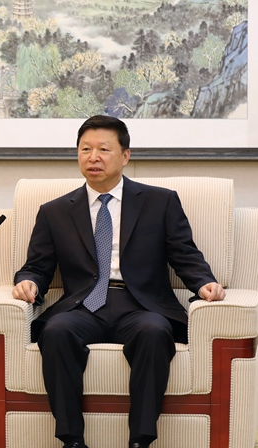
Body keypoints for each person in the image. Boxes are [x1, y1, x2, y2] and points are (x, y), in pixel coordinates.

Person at [11, 115, 225, 448]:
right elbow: (37, 266)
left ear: (125, 155)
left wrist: (203, 283)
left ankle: (140, 440)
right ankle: (71, 440)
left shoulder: (160, 201)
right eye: (85, 149)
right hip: (84, 305)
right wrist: (28, 282)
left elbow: (184, 253)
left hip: (139, 304)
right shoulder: (54, 211)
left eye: (103, 149)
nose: (92, 157)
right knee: (55, 332)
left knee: (154, 332)